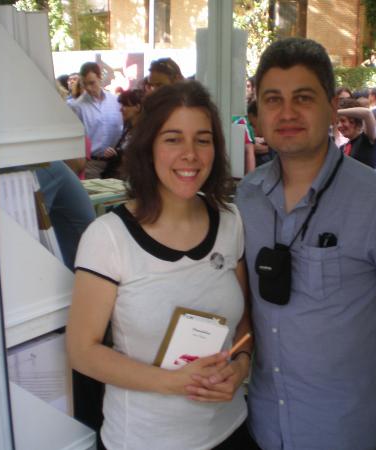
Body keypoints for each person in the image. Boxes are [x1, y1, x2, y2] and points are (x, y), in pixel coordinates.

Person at [235, 37, 376, 450]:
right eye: (273, 100)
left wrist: (358, 359)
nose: (287, 112)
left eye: (303, 98)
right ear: (259, 113)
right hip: (265, 424)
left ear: (332, 108)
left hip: (348, 430)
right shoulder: (248, 196)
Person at [66, 80, 254, 450]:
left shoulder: (230, 222)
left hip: (229, 430)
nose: (190, 154)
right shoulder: (109, 237)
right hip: (143, 440)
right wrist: (174, 383)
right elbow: (82, 351)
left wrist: (241, 365)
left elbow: (243, 323)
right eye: (173, 139)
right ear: (148, 147)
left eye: (202, 140)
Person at [70, 62, 123, 179]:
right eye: (85, 84)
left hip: (115, 162)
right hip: (92, 164)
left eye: (92, 83)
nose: (88, 88)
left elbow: (121, 129)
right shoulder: (77, 107)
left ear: (100, 78)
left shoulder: (115, 101)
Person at [101, 88, 144, 179]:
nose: (121, 109)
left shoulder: (145, 131)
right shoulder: (128, 127)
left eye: (125, 105)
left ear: (137, 107)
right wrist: (115, 153)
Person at [336, 98, 376, 168]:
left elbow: (367, 113)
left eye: (343, 121)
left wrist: (336, 111)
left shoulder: (367, 139)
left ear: (354, 121)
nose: (339, 125)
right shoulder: (342, 148)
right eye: (337, 122)